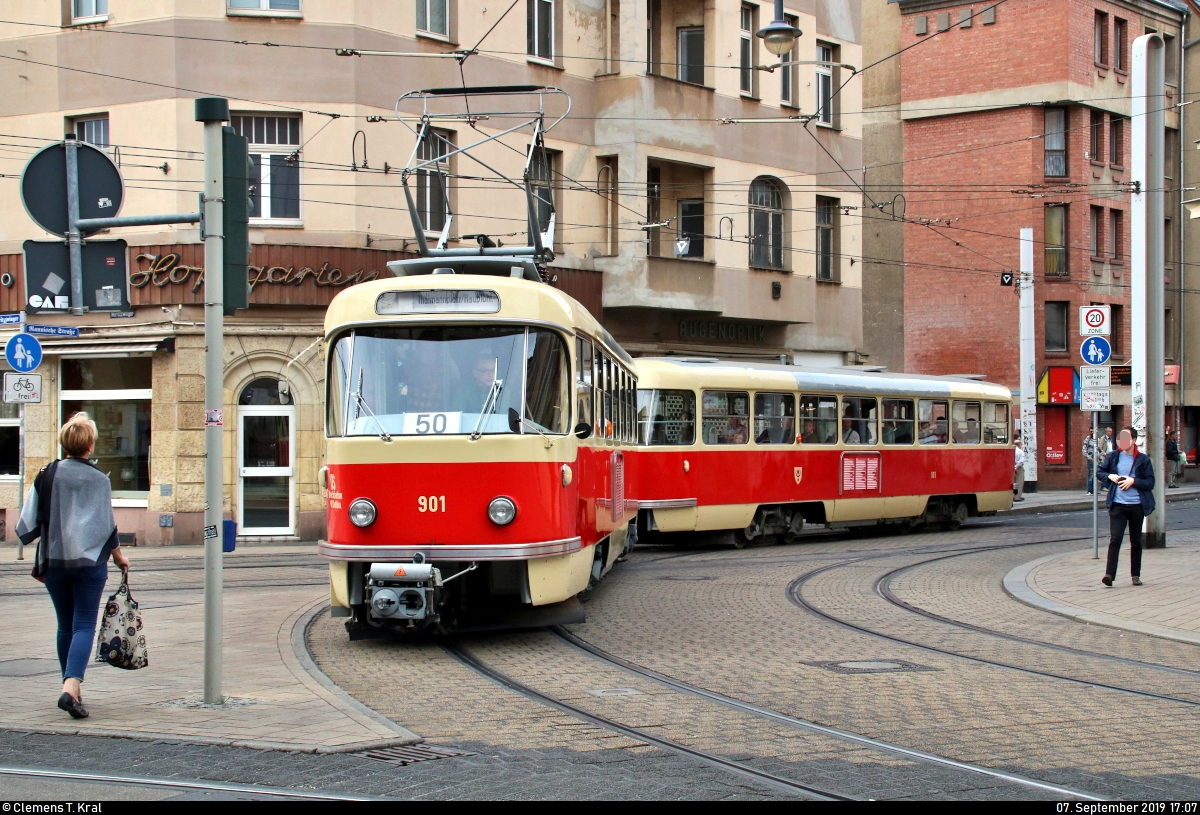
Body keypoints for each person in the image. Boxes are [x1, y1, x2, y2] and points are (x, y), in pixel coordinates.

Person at [17, 413, 129, 720]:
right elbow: (107, 525)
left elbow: (27, 522)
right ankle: (70, 688)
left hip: (55, 561)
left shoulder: (46, 474)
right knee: (83, 625)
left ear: (64, 443)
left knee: (65, 625)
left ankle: (72, 690)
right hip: (90, 563)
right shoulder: (100, 480)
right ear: (90, 445)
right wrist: (118, 556)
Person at [1097, 426, 1155, 587]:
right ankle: (1109, 575)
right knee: (1115, 539)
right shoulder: (1113, 457)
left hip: (1137, 506)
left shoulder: (1143, 460)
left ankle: (1135, 575)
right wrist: (1110, 476)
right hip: (1118, 505)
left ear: (1134, 441)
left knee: (1136, 541)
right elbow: (1099, 472)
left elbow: (1150, 482)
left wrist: (1133, 481)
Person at [1082, 427, 1097, 495]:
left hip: (1096, 460)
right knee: (1091, 474)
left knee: (1095, 475)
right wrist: (1089, 458)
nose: (1092, 433)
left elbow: (1099, 449)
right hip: (1091, 460)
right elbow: (1084, 450)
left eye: (1093, 431)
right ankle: (1089, 490)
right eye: (1091, 431)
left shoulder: (1097, 439)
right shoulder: (1087, 439)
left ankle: (1094, 490)